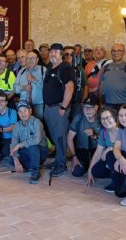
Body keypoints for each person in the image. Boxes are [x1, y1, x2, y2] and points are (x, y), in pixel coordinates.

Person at [43, 43, 75, 177]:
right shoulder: (50, 67)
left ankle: (61, 165)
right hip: (49, 108)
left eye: (56, 51)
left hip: (59, 109)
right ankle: (58, 160)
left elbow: (70, 87)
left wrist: (63, 107)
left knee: (60, 137)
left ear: (61, 54)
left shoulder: (65, 67)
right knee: (55, 136)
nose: (52, 53)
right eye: (51, 51)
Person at [10, 100, 49, 184]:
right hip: (27, 151)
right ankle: (31, 165)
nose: (23, 114)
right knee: (11, 159)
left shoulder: (36, 122)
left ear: (30, 111)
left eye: (25, 110)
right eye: (20, 111)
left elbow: (36, 140)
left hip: (40, 151)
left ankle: (35, 172)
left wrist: (20, 145)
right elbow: (13, 144)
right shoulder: (17, 125)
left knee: (33, 147)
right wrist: (16, 161)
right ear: (18, 113)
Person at [68, 95, 102, 177]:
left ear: (96, 108)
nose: (87, 110)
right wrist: (74, 157)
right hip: (82, 149)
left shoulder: (102, 118)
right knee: (77, 172)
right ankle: (86, 164)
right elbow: (69, 138)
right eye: (85, 107)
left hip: (98, 150)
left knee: (97, 172)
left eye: (90, 107)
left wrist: (95, 135)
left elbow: (108, 139)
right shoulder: (78, 117)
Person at [86, 107, 118, 192]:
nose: (105, 121)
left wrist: (110, 148)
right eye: (103, 119)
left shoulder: (122, 130)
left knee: (109, 154)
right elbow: (98, 153)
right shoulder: (104, 132)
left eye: (108, 117)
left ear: (114, 117)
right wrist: (90, 170)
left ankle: (117, 182)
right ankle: (118, 176)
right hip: (115, 161)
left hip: (125, 159)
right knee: (95, 170)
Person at [99, 43, 126, 110]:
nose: (116, 53)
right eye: (113, 51)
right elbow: (101, 86)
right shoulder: (105, 68)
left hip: (123, 104)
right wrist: (101, 102)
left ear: (123, 53)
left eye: (119, 50)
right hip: (107, 104)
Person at [13, 51, 46, 120]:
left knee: (39, 126)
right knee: (25, 127)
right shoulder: (21, 71)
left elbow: (47, 88)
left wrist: (34, 80)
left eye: (32, 58)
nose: (30, 60)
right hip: (24, 106)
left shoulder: (43, 70)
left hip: (38, 105)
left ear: (37, 60)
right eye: (28, 58)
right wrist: (23, 87)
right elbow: (15, 88)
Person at [64, 46, 88, 118]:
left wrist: (83, 101)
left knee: (75, 124)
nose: (68, 56)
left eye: (71, 54)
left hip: (77, 103)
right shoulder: (59, 69)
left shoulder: (80, 70)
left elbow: (85, 85)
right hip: (63, 103)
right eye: (66, 54)